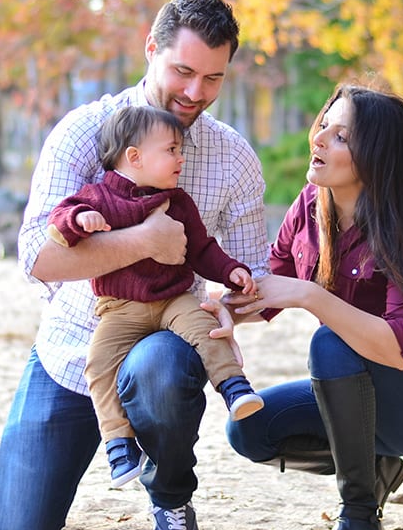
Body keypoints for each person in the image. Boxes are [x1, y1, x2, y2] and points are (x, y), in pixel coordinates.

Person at [0, 0, 270, 530]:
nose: (195, 93)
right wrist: (143, 240)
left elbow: (248, 272)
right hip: (73, 349)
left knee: (162, 366)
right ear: (150, 49)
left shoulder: (231, 157)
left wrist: (234, 307)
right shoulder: (84, 131)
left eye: (213, 78)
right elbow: (38, 257)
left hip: (163, 342)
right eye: (183, 71)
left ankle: (172, 503)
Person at [222, 83, 403, 530]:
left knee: (331, 342)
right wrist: (215, 311)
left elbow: (397, 350)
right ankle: (379, 466)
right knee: (249, 430)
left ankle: (359, 518)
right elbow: (267, 290)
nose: (319, 139)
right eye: (325, 125)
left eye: (341, 137)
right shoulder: (308, 206)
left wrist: (311, 297)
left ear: (376, 157)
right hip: (359, 392)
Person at [45, 104, 264, 489]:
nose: (181, 158)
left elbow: (201, 249)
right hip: (120, 309)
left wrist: (229, 270)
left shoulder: (177, 201)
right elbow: (59, 220)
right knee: (98, 364)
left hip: (172, 299)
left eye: (181, 150)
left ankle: (234, 388)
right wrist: (80, 221)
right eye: (172, 150)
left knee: (205, 328)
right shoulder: (98, 198)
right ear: (134, 157)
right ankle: (118, 444)